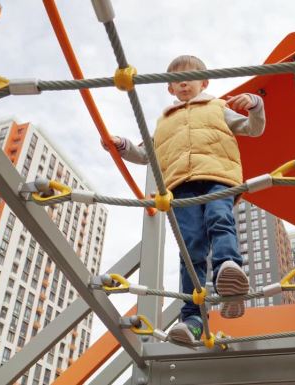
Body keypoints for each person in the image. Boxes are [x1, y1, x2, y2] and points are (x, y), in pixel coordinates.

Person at [102, 55, 265, 345]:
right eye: (177, 80)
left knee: (219, 217)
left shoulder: (219, 107)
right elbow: (145, 154)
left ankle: (229, 269)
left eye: (190, 77)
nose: (184, 83)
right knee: (190, 249)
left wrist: (255, 105)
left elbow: (254, 128)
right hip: (180, 185)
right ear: (170, 89)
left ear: (204, 83)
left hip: (218, 174)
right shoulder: (165, 121)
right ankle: (192, 319)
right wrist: (121, 146)